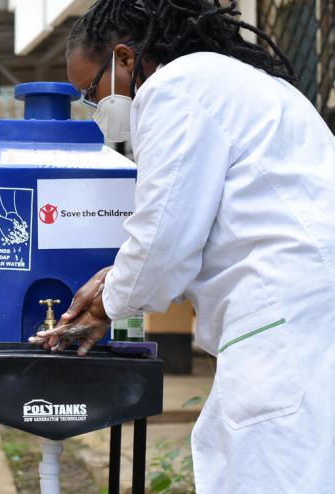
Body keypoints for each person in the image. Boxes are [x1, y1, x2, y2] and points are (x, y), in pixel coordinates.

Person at [28, 0, 335, 491]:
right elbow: (193, 219)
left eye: (91, 90)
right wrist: (120, 278)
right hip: (307, 308)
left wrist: (105, 303)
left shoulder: (175, 88)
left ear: (125, 59)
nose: (93, 107)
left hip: (284, 312)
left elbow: (163, 238)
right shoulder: (250, 85)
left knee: (271, 468)